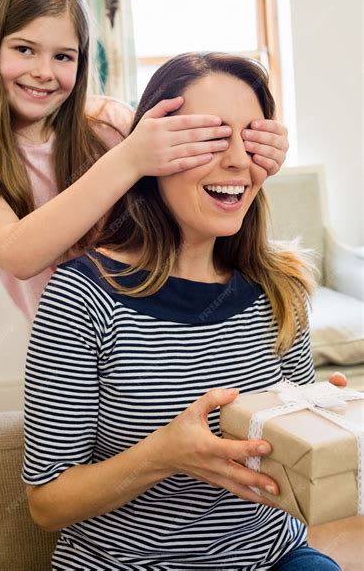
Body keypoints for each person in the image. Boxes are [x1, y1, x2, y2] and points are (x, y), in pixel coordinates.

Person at [22, 52, 343, 570]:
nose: (238, 160)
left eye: (252, 137)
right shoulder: (82, 297)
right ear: (153, 154)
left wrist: (330, 429)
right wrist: (163, 455)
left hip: (270, 557)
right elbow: (47, 504)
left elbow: (293, 454)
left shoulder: (282, 286)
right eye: (211, 138)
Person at [0, 0, 290, 322]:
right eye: (24, 49)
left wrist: (253, 154)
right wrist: (128, 159)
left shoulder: (107, 121)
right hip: (65, 337)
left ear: (81, 62)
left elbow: (183, 186)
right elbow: (17, 254)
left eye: (63, 56)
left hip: (142, 322)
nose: (44, 71)